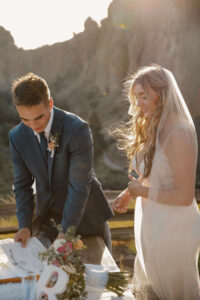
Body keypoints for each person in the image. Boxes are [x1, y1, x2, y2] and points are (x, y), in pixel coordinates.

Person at [112, 65, 200, 299]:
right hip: (151, 226)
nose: (138, 103)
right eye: (136, 97)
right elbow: (146, 173)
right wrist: (129, 193)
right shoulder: (151, 127)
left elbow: (184, 196)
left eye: (143, 96)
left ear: (162, 95)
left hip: (175, 230)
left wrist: (140, 190)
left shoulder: (180, 132)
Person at [9, 73, 113, 251]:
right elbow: (22, 185)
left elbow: (79, 185)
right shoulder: (17, 136)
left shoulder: (77, 129)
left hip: (86, 219)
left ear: (50, 103)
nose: (33, 125)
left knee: (97, 277)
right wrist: (25, 226)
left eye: (39, 118)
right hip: (48, 222)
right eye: (25, 119)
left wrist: (66, 232)